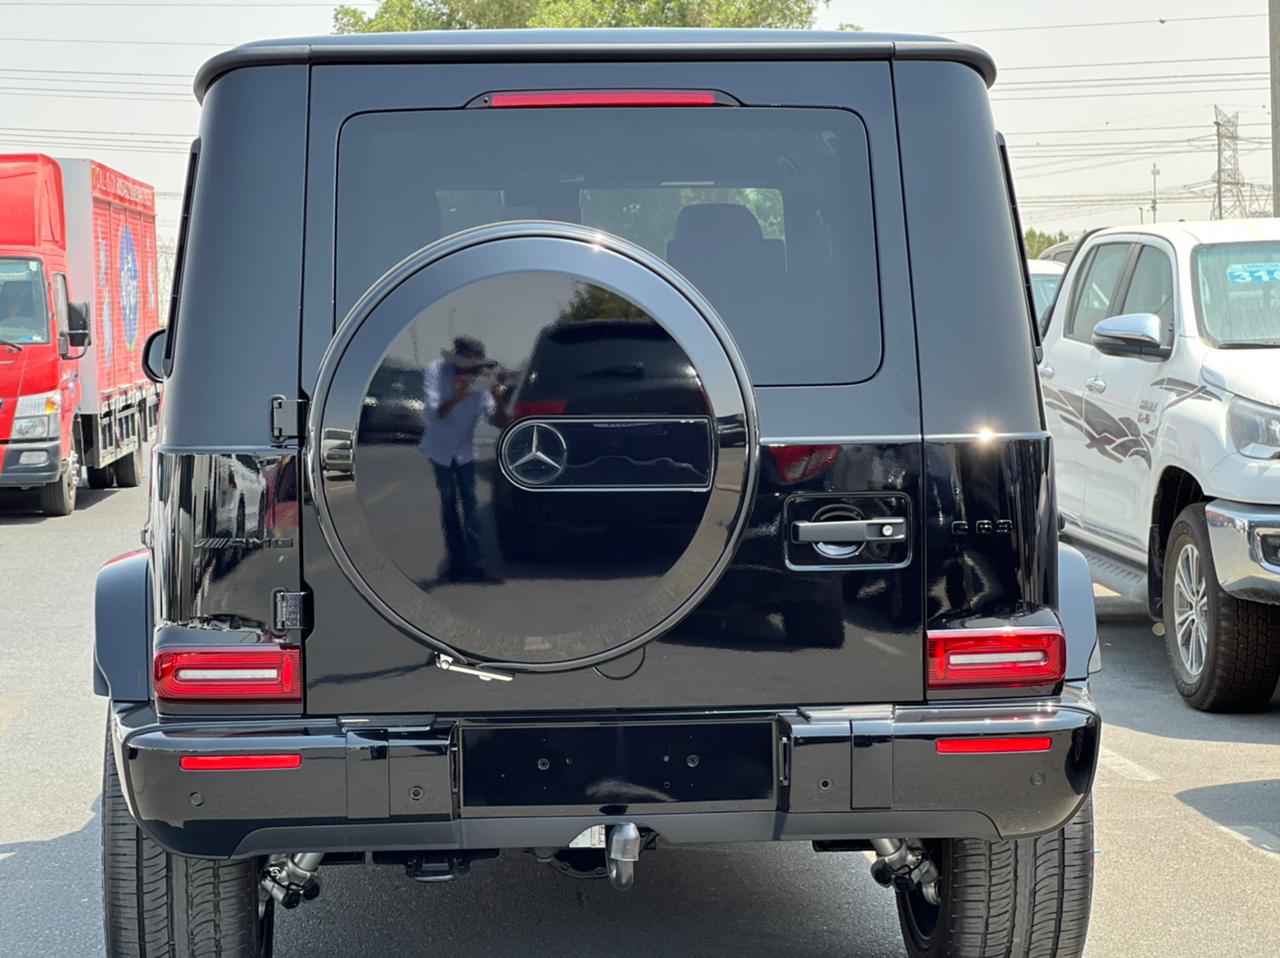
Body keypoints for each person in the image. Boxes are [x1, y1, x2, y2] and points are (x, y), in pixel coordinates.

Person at [422, 335, 509, 581]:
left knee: (471, 503)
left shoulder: (482, 381)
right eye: (467, 367)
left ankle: (477, 563)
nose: (471, 372)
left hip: (465, 450)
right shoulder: (436, 371)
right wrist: (457, 396)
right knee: (449, 502)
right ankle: (456, 562)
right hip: (440, 449)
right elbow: (435, 412)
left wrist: (498, 396)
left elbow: (500, 422)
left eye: (475, 368)